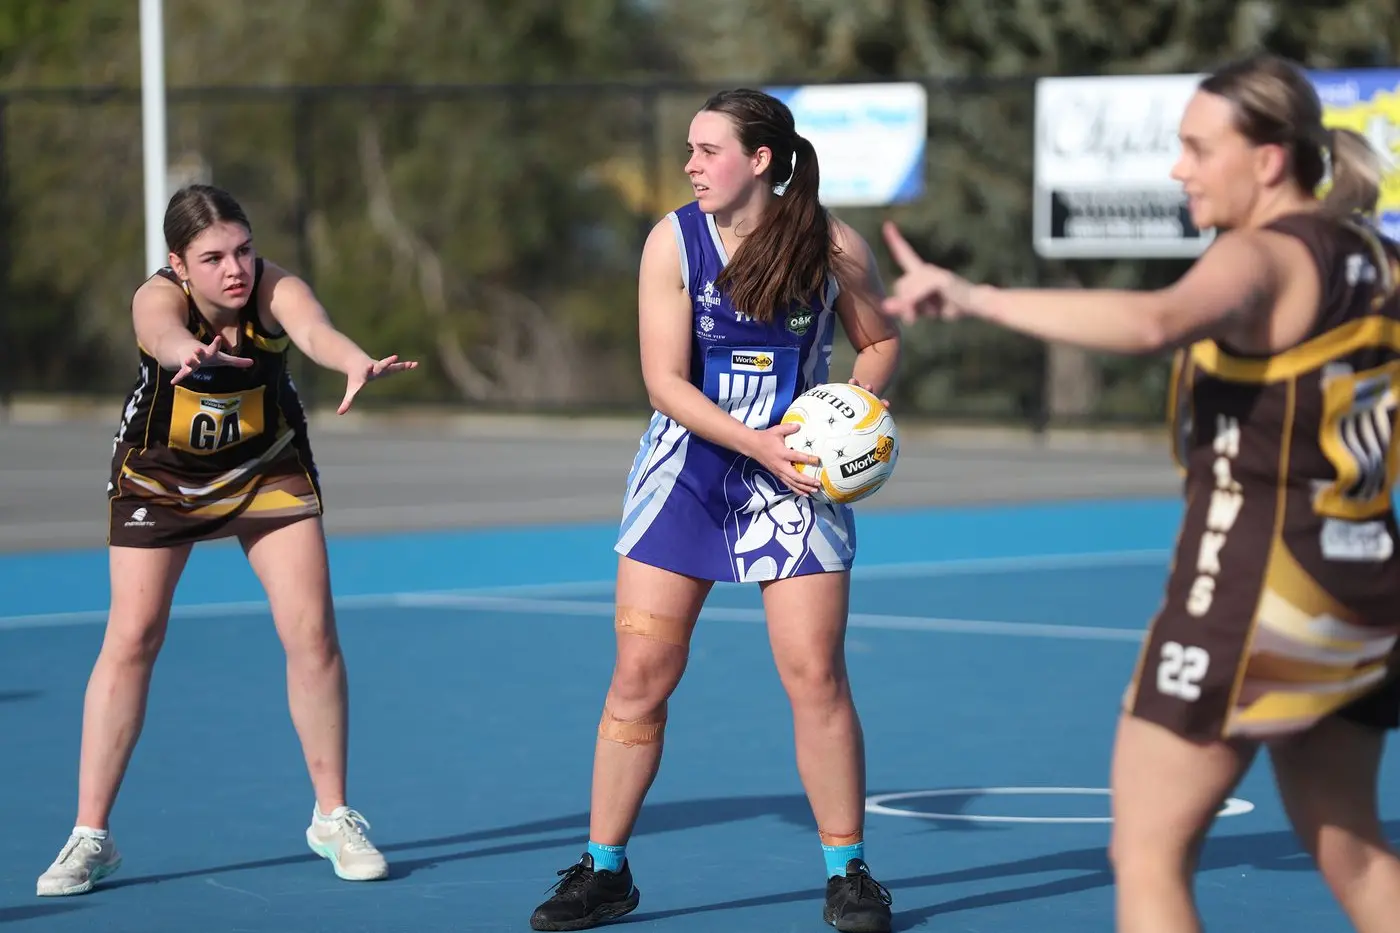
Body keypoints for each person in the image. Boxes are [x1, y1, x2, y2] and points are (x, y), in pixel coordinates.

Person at [880, 53, 1400, 933]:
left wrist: (975, 295)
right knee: (1352, 849)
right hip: (1361, 586)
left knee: (1150, 854)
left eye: (1198, 148)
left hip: (1258, 590)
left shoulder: (1262, 256)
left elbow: (1154, 321)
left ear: (1269, 159)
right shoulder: (1378, 257)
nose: (1178, 169)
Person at [528, 89, 901, 933]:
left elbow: (880, 342)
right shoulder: (673, 241)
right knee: (639, 677)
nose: (690, 165)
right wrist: (753, 442)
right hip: (688, 473)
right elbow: (664, 381)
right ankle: (604, 869)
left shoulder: (832, 245)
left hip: (795, 475)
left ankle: (849, 873)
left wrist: (852, 413)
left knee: (815, 676)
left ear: (760, 160)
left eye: (707, 150)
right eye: (690, 150)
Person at [36, 184, 417, 897]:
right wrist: (186, 351)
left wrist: (352, 359)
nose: (235, 269)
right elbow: (160, 333)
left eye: (243, 250)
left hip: (266, 467)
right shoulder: (158, 298)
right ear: (180, 264)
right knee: (133, 637)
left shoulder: (273, 289)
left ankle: (332, 815)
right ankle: (91, 833)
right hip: (161, 476)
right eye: (213, 258)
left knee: (312, 632)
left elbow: (313, 329)